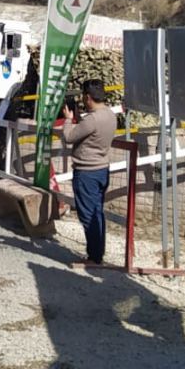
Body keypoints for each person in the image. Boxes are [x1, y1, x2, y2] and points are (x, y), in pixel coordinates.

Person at [59, 79, 118, 265]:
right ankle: (98, 252)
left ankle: (94, 256)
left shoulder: (92, 119)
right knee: (97, 211)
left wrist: (68, 120)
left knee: (87, 214)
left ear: (87, 97)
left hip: (87, 171)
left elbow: (69, 136)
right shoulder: (110, 114)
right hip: (102, 168)